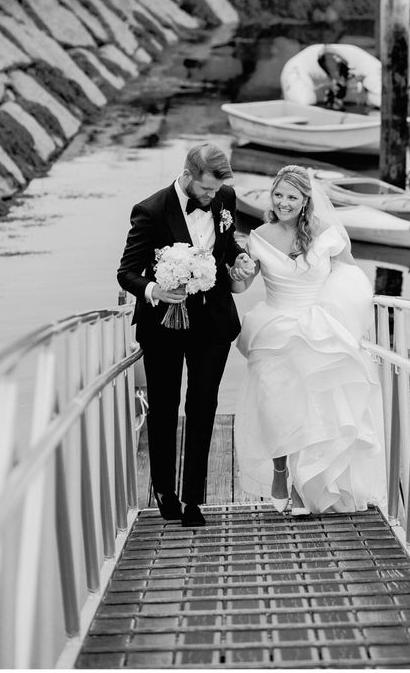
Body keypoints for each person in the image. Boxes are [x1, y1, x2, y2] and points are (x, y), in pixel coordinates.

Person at [234, 165, 387, 514]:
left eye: (292, 196)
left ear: (305, 201)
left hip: (316, 329)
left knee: (313, 409)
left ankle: (305, 486)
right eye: (278, 195)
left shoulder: (325, 232)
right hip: (272, 329)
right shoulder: (257, 236)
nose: (284, 202)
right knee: (275, 407)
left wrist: (345, 320)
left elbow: (350, 278)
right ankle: (279, 469)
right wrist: (236, 273)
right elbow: (240, 286)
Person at [117, 142, 255, 527]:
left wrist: (238, 258)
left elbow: (227, 247)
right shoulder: (150, 210)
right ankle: (164, 489)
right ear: (188, 175)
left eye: (216, 191)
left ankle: (194, 498)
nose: (212, 196)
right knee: (164, 406)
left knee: (203, 405)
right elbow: (126, 272)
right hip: (163, 325)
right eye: (207, 189)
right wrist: (154, 290)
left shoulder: (225, 197)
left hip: (213, 324)